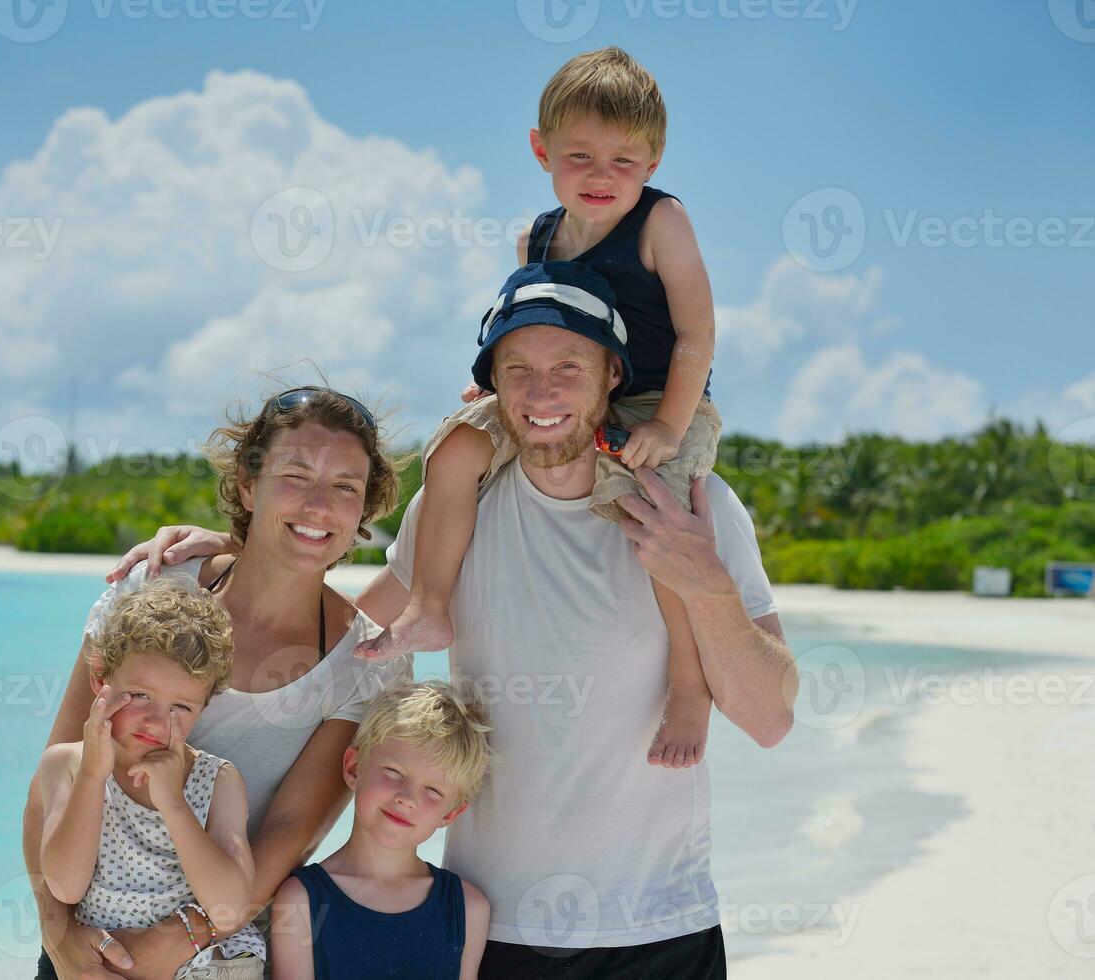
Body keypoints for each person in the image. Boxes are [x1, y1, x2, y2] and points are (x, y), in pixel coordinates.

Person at [122, 264, 796, 978]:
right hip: (492, 929)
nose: (541, 392)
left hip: (659, 925)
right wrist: (231, 548)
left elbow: (769, 720)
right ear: (490, 387)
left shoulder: (695, 506)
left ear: (610, 378)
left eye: (568, 366)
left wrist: (708, 586)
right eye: (518, 369)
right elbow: (350, 627)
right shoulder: (461, 505)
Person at [356, 46, 722, 771]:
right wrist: (500, 388)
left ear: (653, 162)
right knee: (454, 446)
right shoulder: (538, 236)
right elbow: (533, 319)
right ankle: (428, 602)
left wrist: (666, 427)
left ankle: (687, 683)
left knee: (655, 511)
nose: (600, 176)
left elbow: (696, 333)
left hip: (658, 396)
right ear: (539, 149)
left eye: (624, 161)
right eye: (579, 156)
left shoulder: (662, 222)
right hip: (561, 390)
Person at [26, 386, 413, 980]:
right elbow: (56, 775)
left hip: (216, 957)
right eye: (296, 475)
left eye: (345, 487)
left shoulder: (369, 661)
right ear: (245, 485)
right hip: (89, 947)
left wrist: (175, 942)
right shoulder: (152, 590)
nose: (318, 506)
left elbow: (289, 834)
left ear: (363, 511)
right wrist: (59, 940)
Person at [36, 577, 266, 978]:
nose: (158, 721)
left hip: (207, 967)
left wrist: (174, 804)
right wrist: (92, 774)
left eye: (181, 706)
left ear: (205, 706)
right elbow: (65, 886)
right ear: (100, 678)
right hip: (109, 963)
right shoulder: (66, 765)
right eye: (140, 695)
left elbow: (228, 908)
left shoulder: (218, 780)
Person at [268, 681, 493, 980]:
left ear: (451, 813)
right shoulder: (300, 900)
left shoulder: (467, 909)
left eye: (433, 790)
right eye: (394, 772)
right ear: (354, 767)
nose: (408, 798)